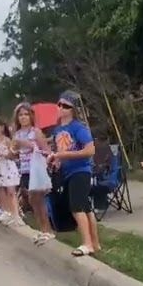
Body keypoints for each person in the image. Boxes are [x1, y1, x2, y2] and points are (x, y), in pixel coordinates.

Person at [48, 91, 101, 256]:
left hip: (81, 171)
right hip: (67, 172)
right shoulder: (57, 130)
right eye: (59, 104)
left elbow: (90, 150)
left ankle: (87, 244)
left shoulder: (78, 127)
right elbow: (59, 152)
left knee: (77, 207)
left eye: (66, 106)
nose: (61, 108)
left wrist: (65, 155)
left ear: (73, 109)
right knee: (86, 208)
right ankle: (95, 243)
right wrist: (55, 160)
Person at [13, 102, 54, 242]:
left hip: (36, 168)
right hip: (24, 169)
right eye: (21, 115)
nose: (23, 117)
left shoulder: (35, 132)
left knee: (36, 198)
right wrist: (14, 148)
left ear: (31, 116)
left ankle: (47, 229)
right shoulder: (17, 134)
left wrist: (31, 146)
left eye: (26, 114)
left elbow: (46, 151)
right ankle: (42, 229)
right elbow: (15, 153)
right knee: (31, 200)